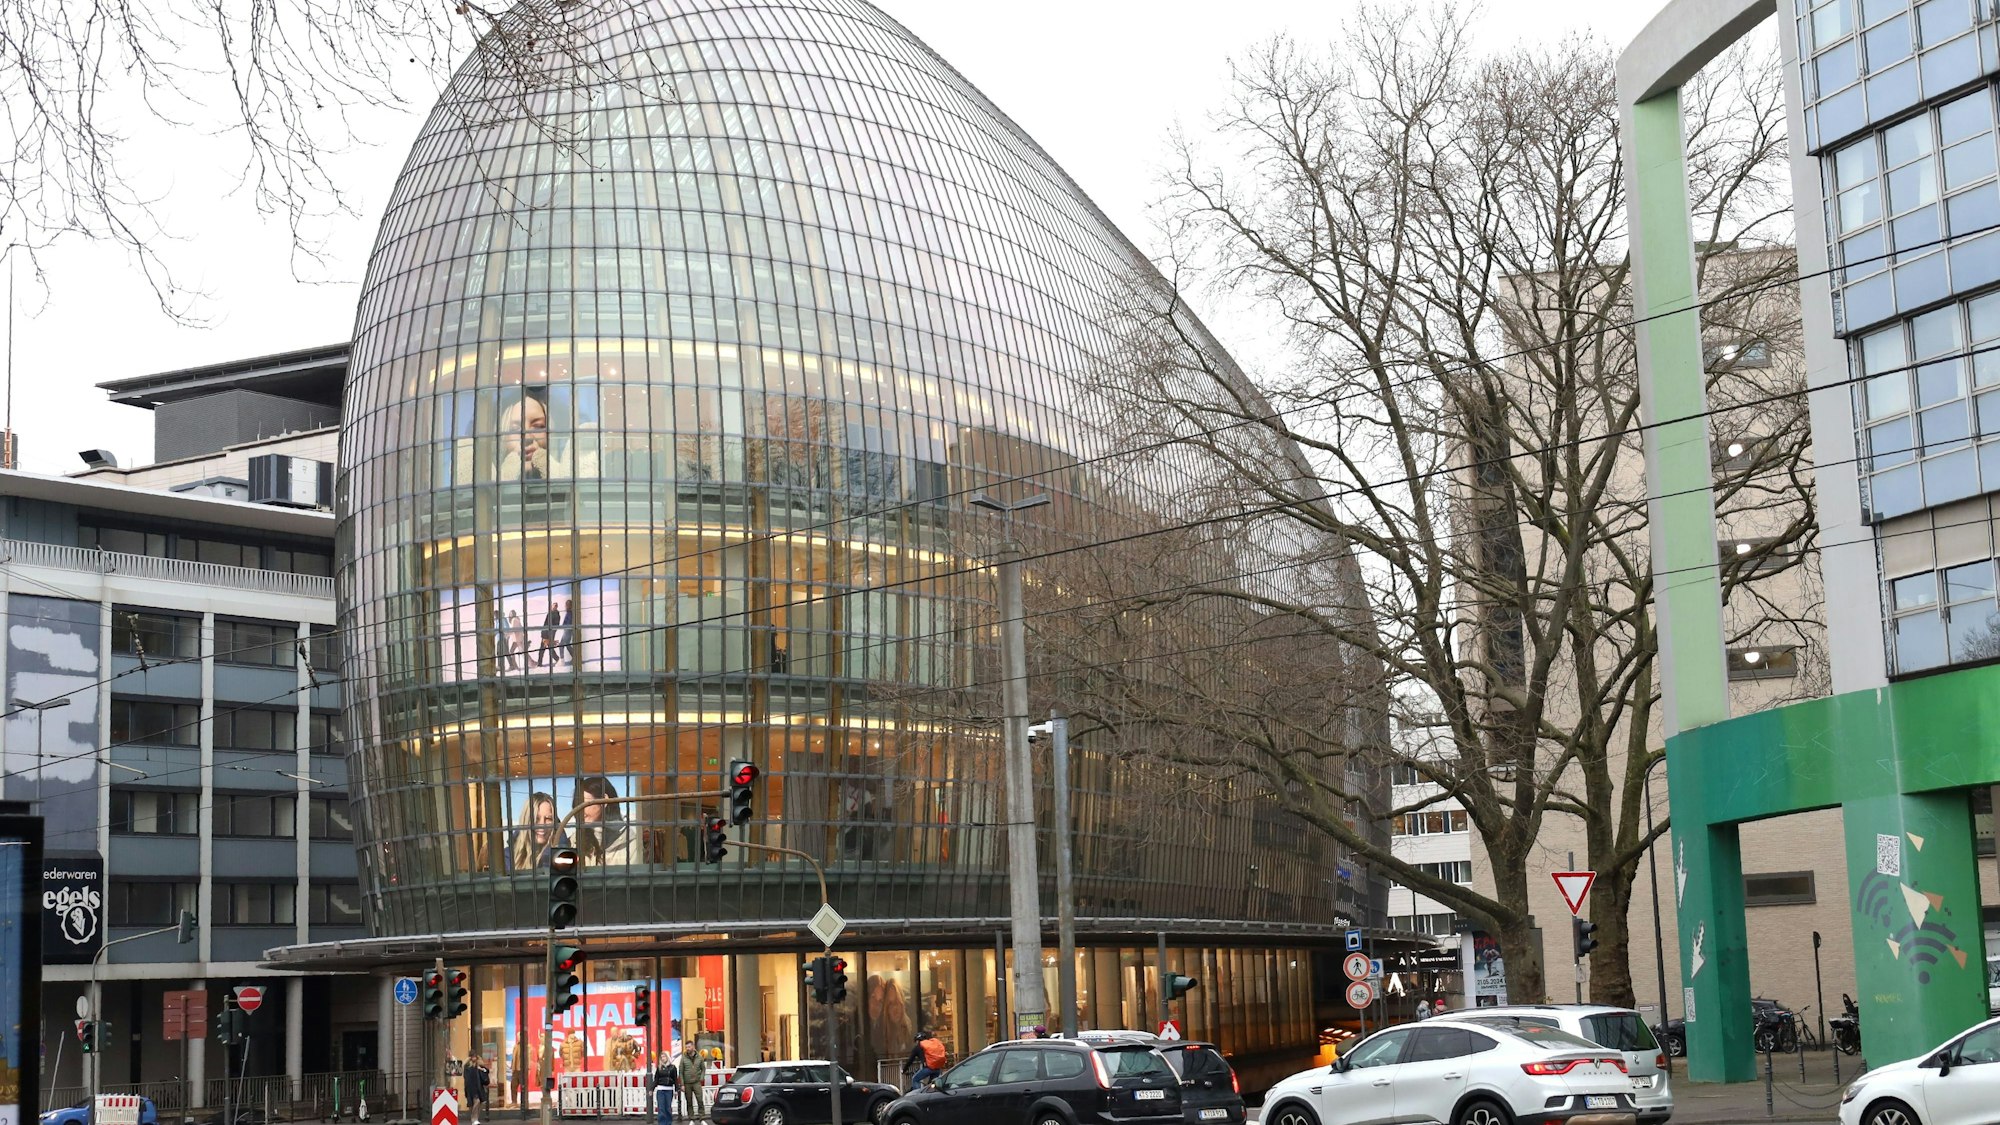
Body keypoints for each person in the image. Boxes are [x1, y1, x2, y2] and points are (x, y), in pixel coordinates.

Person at [574, 776, 640, 865]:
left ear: (604, 800)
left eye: (585, 803)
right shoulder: (575, 840)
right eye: (577, 804)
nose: (580, 809)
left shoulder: (629, 841)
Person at [510, 791, 563, 872]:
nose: (542, 825)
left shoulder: (562, 855)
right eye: (536, 819)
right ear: (526, 820)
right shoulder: (507, 856)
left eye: (548, 819)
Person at [677, 1040, 709, 1118]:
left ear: (693, 1047)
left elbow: (703, 1069)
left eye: (689, 1047)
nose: (687, 1048)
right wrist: (682, 1084)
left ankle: (702, 1115)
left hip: (696, 1082)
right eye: (686, 1047)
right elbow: (680, 1072)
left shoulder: (700, 1057)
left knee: (700, 1099)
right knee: (689, 1100)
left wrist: (701, 1078)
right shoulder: (683, 1058)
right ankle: (691, 1116)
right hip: (687, 1083)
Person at [651, 1052, 678, 1125]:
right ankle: (662, 1123)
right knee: (661, 1108)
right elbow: (656, 1079)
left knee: (668, 1108)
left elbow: (675, 1079)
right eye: (662, 1057)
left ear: (668, 1057)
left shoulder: (673, 1068)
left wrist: (676, 1090)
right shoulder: (659, 1068)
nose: (663, 1058)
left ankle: (668, 1123)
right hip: (660, 1090)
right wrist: (652, 1089)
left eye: (664, 1057)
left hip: (669, 1090)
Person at [463, 1057, 491, 1125]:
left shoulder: (479, 1067)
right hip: (472, 1088)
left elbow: (485, 1074)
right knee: (476, 1102)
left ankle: (475, 1118)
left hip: (478, 1088)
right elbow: (467, 1079)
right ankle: (474, 1119)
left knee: (478, 1103)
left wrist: (482, 1069)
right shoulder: (468, 1068)